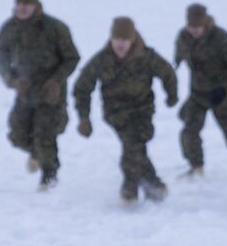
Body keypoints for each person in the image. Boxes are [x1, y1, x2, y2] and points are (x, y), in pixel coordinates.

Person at [73, 17, 177, 205]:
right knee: (134, 146)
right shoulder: (101, 60)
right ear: (111, 39)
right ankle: (150, 187)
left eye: (125, 40)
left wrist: (172, 95)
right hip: (116, 113)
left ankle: (137, 189)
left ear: (132, 39)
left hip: (143, 111)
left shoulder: (146, 57)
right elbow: (82, 88)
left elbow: (168, 73)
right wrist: (84, 118)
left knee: (134, 146)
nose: (120, 44)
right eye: (116, 40)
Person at [0, 0, 79, 191]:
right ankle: (36, 154)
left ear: (36, 5)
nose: (23, 8)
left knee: (45, 133)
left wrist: (56, 80)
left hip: (51, 91)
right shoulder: (9, 29)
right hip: (25, 89)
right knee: (17, 134)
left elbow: (72, 58)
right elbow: (0, 57)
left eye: (27, 4)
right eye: (20, 4)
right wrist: (12, 80)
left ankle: (49, 176)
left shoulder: (55, 28)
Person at [173, 4, 227, 179]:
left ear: (205, 24)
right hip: (197, 94)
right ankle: (196, 167)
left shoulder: (222, 39)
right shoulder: (183, 37)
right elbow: (179, 56)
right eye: (191, 27)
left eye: (198, 28)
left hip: (221, 94)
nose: (194, 31)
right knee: (189, 132)